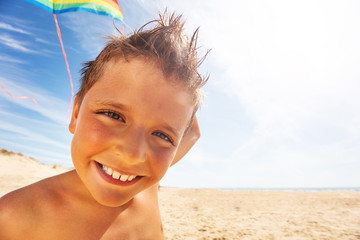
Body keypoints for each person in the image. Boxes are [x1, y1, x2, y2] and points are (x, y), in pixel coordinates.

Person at [0, 11, 208, 239]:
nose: (132, 155)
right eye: (113, 115)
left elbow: (191, 131)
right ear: (76, 113)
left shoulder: (147, 181)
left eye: (162, 135)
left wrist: (185, 88)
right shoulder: (13, 216)